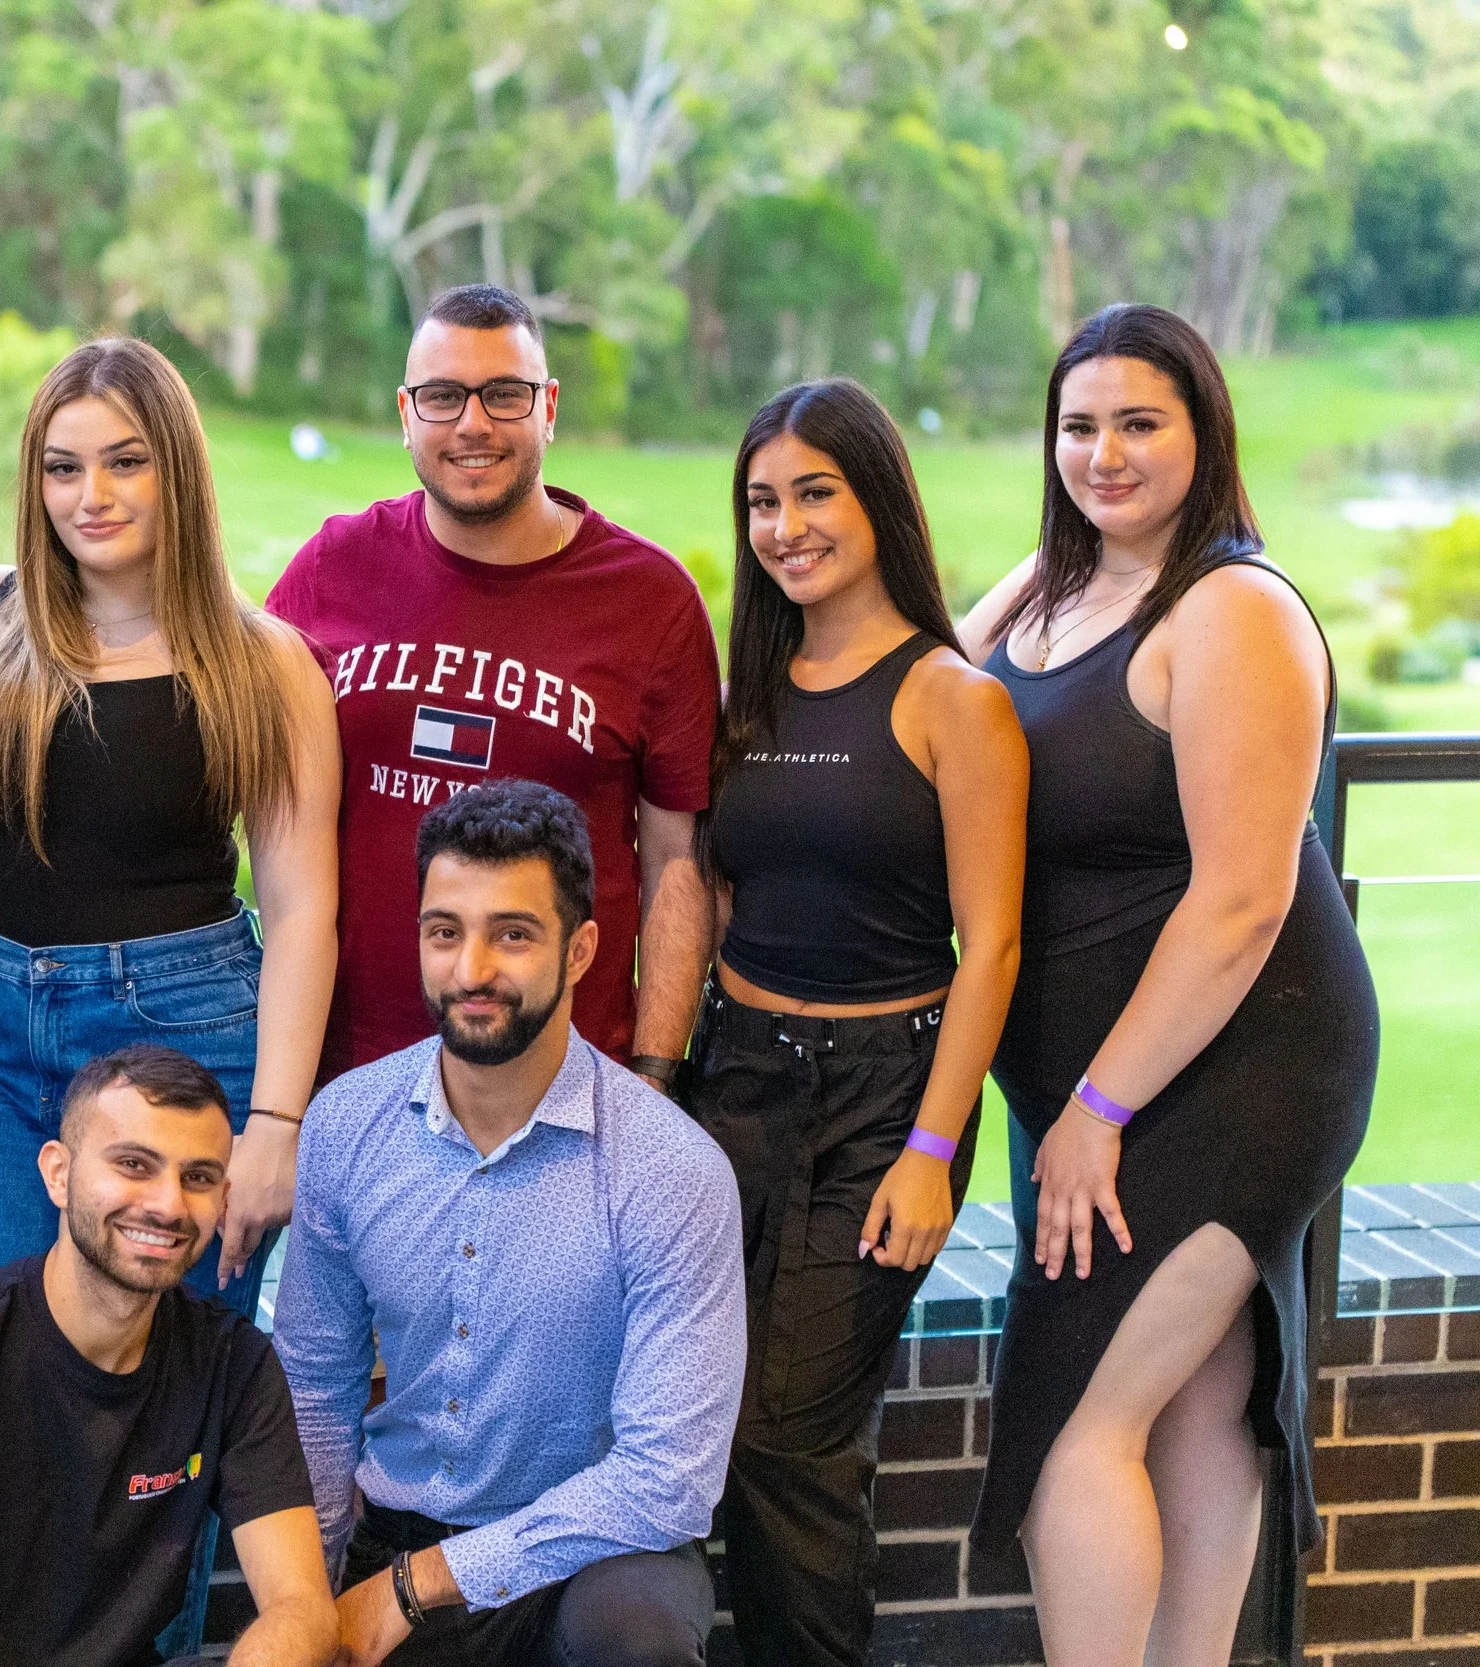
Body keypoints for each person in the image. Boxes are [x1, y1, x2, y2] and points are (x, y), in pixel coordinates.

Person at [955, 304, 1378, 1667]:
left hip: (1237, 1066)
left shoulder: (1235, 610)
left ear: (1205, 430)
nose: (1106, 452)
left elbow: (1245, 901)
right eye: (1080, 424)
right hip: (1104, 1075)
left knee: (1081, 1422)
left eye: (1141, 421)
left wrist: (1094, 1107)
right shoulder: (1047, 587)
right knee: (1193, 1399)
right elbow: (931, 696)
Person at [0, 334, 341, 1323]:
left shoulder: (261, 665)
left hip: (188, 1040)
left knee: (154, 1396)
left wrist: (275, 1123)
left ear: (175, 468)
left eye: (124, 460)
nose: (90, 492)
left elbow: (303, 909)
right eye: (63, 467)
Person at [687, 379, 1026, 1667]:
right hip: (734, 1084)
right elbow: (721, 892)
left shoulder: (953, 697)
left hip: (882, 1094)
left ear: (878, 495)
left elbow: (988, 943)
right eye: (763, 501)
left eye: (814, 492)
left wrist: (933, 1150)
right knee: (718, 1414)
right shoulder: (753, 690)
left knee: (790, 1439)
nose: (784, 526)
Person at [273, 778, 745, 1667]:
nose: (471, 969)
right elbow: (315, 1394)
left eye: (513, 934)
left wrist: (422, 1585)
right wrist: (311, 1605)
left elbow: (666, 1482)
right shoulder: (346, 1125)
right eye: (445, 931)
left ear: (581, 950)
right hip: (394, 1546)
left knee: (634, 1638)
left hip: (595, 1554)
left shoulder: (670, 1170)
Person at [266, 283, 719, 1094]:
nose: (472, 423)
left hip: (567, 1090)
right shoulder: (332, 567)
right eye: (443, 397)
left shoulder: (652, 601)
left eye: (503, 394)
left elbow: (676, 863)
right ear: (406, 414)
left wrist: (652, 1073)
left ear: (548, 408)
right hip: (352, 1086)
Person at [0, 1044, 339, 1667]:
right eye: (135, 1165)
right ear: (58, 1174)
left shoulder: (232, 1362)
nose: (168, 1204)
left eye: (196, 1177)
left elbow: (302, 1607)